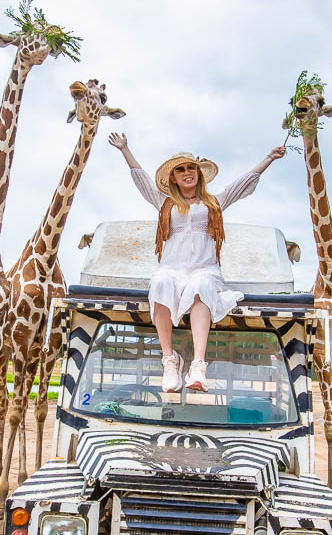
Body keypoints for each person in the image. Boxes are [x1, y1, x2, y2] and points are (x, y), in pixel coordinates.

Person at [109, 132, 286, 392]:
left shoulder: (213, 203)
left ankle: (198, 365)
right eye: (180, 170)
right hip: (172, 268)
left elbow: (242, 185)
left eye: (191, 167)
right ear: (173, 177)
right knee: (159, 282)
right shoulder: (165, 203)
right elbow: (143, 181)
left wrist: (269, 158)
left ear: (199, 173)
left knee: (202, 286)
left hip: (204, 268)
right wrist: (125, 149)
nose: (186, 172)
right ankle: (170, 359)